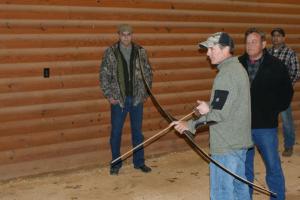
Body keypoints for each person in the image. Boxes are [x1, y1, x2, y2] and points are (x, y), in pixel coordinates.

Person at [172, 32, 253, 200]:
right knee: (240, 191)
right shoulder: (237, 69)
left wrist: (190, 125)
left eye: (211, 48)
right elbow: (227, 106)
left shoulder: (226, 74)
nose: (208, 53)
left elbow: (218, 115)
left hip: (226, 146)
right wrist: (208, 107)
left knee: (221, 194)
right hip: (237, 143)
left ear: (226, 49)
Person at [238, 27, 294, 200]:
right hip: (243, 126)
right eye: (247, 42)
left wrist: (272, 110)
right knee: (244, 167)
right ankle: (244, 197)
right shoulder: (237, 64)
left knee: (273, 166)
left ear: (263, 44)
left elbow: (287, 92)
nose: (250, 45)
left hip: (266, 127)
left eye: (254, 42)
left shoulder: (277, 66)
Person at [100, 24, 153, 175]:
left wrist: (145, 92)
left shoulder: (140, 52)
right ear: (119, 35)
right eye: (123, 34)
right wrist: (109, 95)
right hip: (119, 101)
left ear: (132, 35)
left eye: (128, 34)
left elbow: (148, 72)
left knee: (137, 132)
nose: (126, 37)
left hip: (137, 99)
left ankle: (139, 162)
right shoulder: (110, 52)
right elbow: (104, 75)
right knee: (116, 132)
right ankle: (116, 164)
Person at [268, 28, 300, 157]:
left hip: (283, 93)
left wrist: (286, 86)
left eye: (279, 36)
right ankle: (270, 146)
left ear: (283, 38)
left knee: (287, 121)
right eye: (274, 36)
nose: (276, 38)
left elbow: (297, 71)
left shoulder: (289, 53)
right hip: (268, 93)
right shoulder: (267, 53)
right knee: (269, 120)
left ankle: (289, 146)